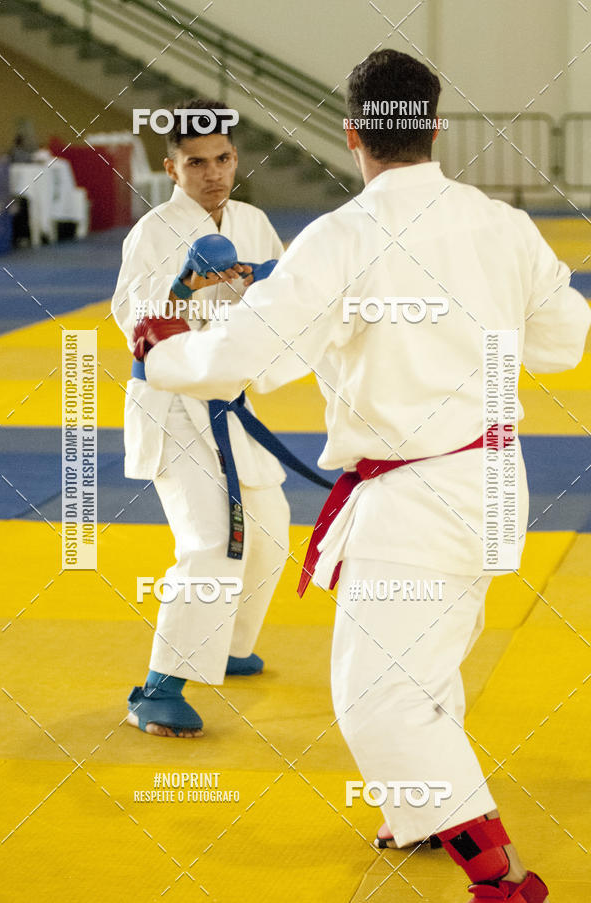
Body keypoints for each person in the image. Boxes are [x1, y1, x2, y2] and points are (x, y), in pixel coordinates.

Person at [131, 52, 590, 901]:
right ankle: (414, 808)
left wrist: (160, 355)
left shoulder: (342, 238)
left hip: (416, 499)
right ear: (433, 129)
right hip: (491, 485)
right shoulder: (501, 223)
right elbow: (566, 342)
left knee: (377, 697)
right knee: (430, 663)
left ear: (351, 135)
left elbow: (246, 356)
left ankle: (497, 876)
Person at [112, 99, 290, 738]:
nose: (212, 173)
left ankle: (228, 645)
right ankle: (158, 688)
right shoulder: (153, 231)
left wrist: (265, 276)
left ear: (235, 158)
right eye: (196, 163)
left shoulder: (250, 220)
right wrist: (184, 289)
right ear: (171, 167)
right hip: (171, 407)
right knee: (212, 542)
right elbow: (135, 324)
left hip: (227, 403)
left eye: (222, 159)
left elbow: (282, 298)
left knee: (270, 534)